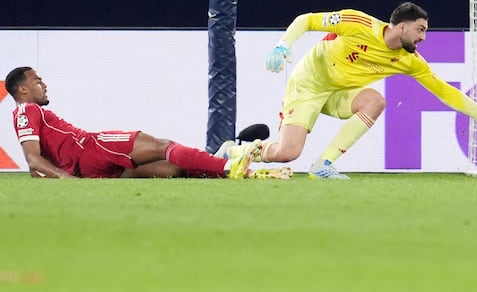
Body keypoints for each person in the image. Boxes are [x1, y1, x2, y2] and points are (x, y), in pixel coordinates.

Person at [248, 2, 477, 179]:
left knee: (375, 101)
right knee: (287, 152)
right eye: (420, 30)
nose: (423, 37)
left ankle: (323, 165)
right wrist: (284, 45)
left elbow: (446, 92)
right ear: (402, 26)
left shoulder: (410, 61)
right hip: (309, 85)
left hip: (340, 93)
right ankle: (238, 152)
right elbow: (306, 20)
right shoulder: (357, 23)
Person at [5, 66, 282, 180]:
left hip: (85, 168)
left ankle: (220, 167)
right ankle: (228, 165)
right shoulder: (27, 109)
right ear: (23, 90)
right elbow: (33, 160)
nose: (43, 84)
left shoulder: (25, 115)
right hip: (90, 147)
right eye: (37, 81)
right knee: (164, 145)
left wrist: (63, 175)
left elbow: (36, 164)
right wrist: (66, 180)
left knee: (172, 169)